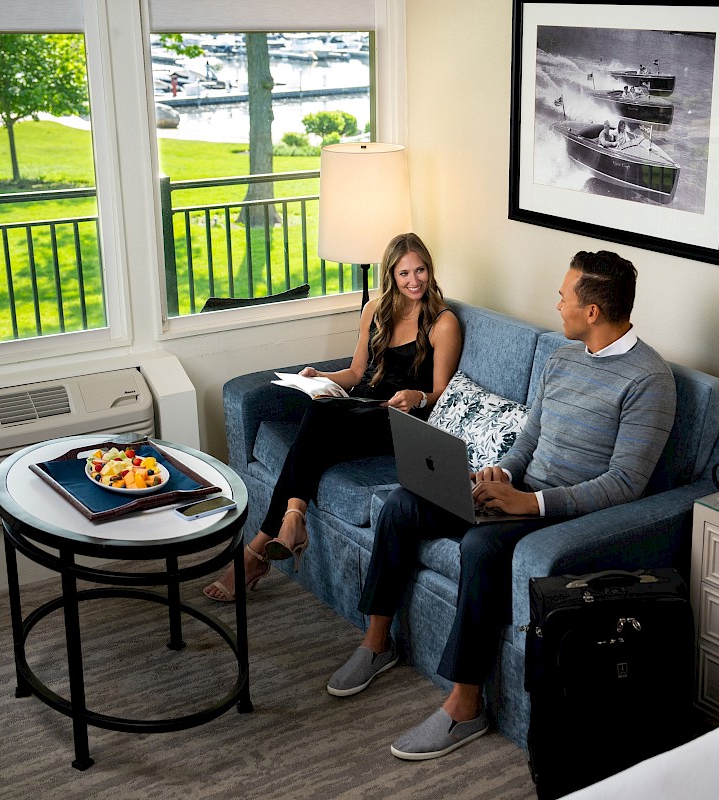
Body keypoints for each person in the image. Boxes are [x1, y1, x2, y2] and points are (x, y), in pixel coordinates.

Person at [326, 250, 676, 760]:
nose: (557, 304)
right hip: (523, 488)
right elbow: (528, 443)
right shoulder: (562, 357)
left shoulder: (649, 380)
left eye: (564, 296)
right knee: (404, 503)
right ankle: (377, 643)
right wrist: (500, 474)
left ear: (594, 312)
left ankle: (466, 706)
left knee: (482, 544)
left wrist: (528, 502)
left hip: (566, 515)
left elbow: (624, 484)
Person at [203, 233, 462, 602]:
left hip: (404, 422)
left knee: (317, 423)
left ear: (429, 269)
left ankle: (262, 545)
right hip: (363, 409)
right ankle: (284, 526)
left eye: (420, 270)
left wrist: (417, 396)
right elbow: (357, 372)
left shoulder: (442, 322)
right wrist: (322, 377)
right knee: (314, 438)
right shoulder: (375, 309)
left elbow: (442, 395)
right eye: (404, 273)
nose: (414, 280)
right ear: (391, 274)